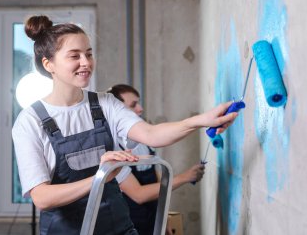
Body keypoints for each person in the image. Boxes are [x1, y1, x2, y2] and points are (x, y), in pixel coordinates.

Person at [12, 15, 238, 235]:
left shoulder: (104, 104)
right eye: (74, 56)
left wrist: (201, 120)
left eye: (89, 54)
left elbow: (151, 134)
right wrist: (102, 176)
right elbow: (42, 197)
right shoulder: (30, 122)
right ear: (48, 63)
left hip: (118, 228)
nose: (86, 62)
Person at [107, 84, 205, 235]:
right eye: (133, 105)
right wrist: (186, 177)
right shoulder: (114, 149)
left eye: (138, 103)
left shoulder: (144, 142)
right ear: (118, 110)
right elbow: (138, 195)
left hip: (152, 221)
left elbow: (159, 185)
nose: (140, 109)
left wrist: (162, 221)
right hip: (130, 225)